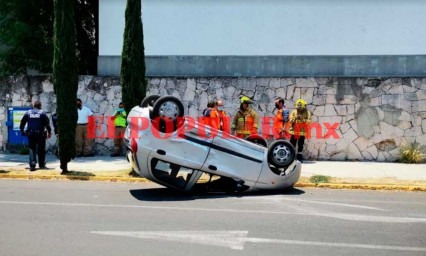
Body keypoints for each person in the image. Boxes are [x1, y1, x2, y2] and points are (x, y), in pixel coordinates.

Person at [19, 101, 52, 171]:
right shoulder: (42, 113)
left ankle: (32, 165)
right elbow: (47, 124)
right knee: (41, 149)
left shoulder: (28, 112)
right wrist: (49, 132)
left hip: (31, 134)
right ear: (40, 106)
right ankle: (41, 164)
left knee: (32, 149)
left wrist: (22, 130)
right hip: (41, 134)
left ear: (34, 106)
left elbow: (22, 122)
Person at [289, 98, 312, 162]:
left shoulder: (307, 113)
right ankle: (291, 156)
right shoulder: (294, 112)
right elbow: (290, 121)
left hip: (302, 132)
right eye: (298, 107)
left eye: (301, 107)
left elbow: (309, 121)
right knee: (292, 144)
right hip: (294, 131)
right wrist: (295, 118)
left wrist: (302, 119)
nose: (299, 109)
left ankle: (299, 156)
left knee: (300, 144)